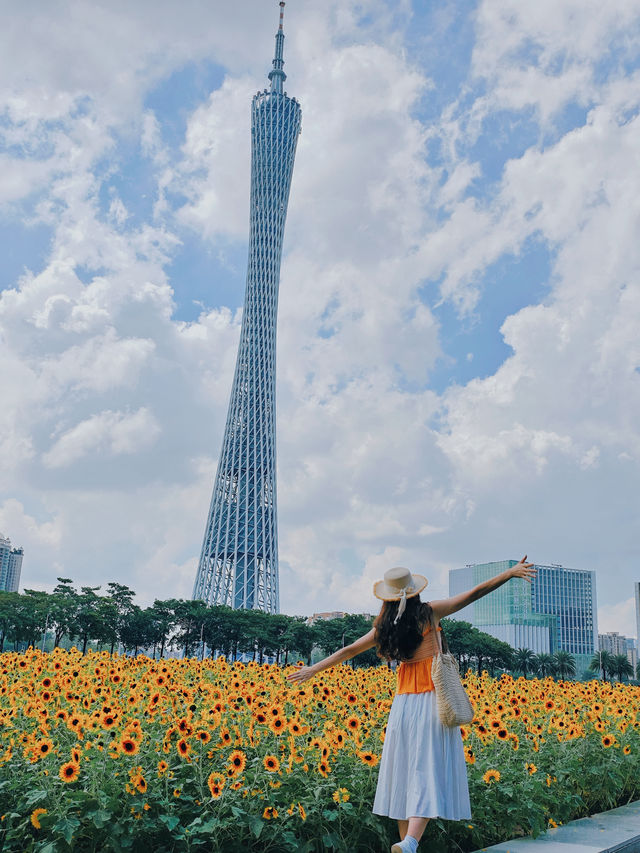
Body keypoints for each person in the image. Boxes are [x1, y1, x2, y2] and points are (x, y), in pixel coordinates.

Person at [286, 556, 535, 853]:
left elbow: (349, 649)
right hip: (434, 701)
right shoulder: (429, 614)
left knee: (405, 773)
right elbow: (473, 594)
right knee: (428, 772)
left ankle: (407, 846)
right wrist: (509, 573)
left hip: (403, 706)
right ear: (415, 591)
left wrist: (313, 669)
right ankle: (412, 841)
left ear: (388, 598)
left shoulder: (385, 627)